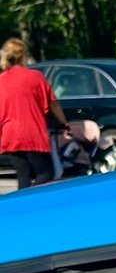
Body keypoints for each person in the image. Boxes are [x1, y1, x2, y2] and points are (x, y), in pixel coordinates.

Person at [0, 37, 68, 188]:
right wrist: (64, 123)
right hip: (32, 134)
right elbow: (54, 104)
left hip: (11, 136)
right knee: (46, 173)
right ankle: (30, 199)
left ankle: (22, 207)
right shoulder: (35, 77)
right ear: (23, 55)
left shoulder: (1, 81)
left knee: (23, 178)